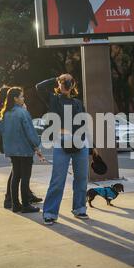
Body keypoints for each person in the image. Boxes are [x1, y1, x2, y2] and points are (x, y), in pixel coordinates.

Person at [36, 74, 98, 226]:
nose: (66, 84)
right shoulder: (54, 99)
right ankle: (50, 212)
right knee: (58, 180)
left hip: (80, 144)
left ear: (72, 85)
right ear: (59, 84)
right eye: (64, 82)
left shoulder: (77, 103)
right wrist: (57, 77)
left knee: (82, 178)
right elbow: (39, 87)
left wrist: (92, 145)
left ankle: (79, 208)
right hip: (61, 144)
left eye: (68, 82)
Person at [0, 87, 45, 214]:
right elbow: (30, 132)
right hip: (24, 150)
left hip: (12, 150)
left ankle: (16, 205)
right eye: (22, 96)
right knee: (25, 177)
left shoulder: (5, 113)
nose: (23, 98)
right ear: (15, 99)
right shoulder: (22, 113)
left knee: (16, 176)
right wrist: (36, 146)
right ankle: (26, 205)